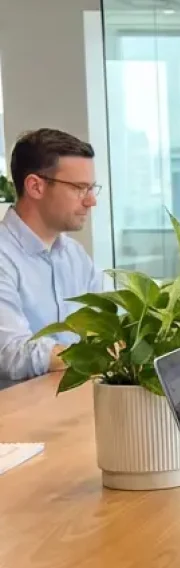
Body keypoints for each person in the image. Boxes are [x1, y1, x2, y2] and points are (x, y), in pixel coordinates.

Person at [0, 128, 106, 382]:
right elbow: (10, 353)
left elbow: (104, 326)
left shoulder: (74, 255)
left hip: (75, 399)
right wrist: (88, 355)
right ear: (35, 186)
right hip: (20, 412)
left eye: (92, 188)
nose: (91, 201)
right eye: (80, 188)